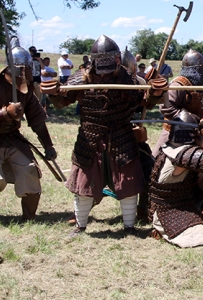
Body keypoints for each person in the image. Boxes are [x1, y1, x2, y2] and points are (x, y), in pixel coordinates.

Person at [42, 35, 166, 237]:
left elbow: (145, 102)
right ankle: (80, 226)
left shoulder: (128, 78)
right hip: (90, 138)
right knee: (84, 183)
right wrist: (54, 93)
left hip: (121, 135)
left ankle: (129, 226)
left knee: (127, 182)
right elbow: (61, 102)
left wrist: (155, 92)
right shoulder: (81, 78)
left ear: (117, 59)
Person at [0, 44, 57, 223]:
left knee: (29, 170)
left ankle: (28, 216)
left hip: (12, 138)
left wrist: (48, 145)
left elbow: (37, 120)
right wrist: (4, 113)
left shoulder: (27, 90)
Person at [149, 110, 203, 247]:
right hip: (167, 210)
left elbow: (199, 180)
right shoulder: (182, 154)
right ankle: (161, 231)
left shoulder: (172, 148)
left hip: (179, 201)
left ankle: (195, 215)